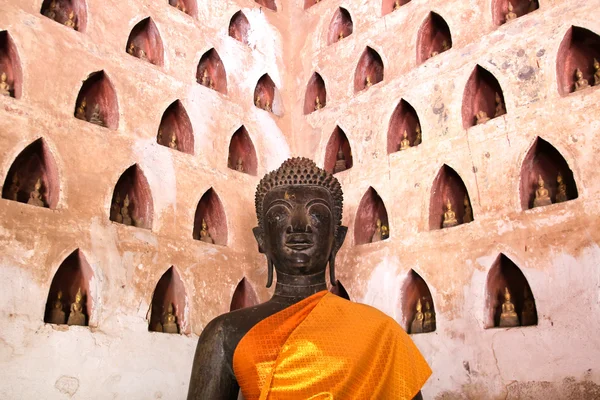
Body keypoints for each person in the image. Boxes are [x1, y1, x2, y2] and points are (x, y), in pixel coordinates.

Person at [187, 157, 431, 399]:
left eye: (316, 214)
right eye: (280, 214)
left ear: (337, 239)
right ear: (262, 240)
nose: (299, 226)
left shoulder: (381, 334)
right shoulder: (225, 332)